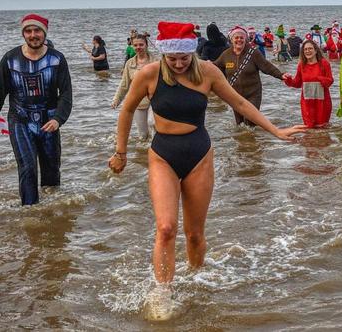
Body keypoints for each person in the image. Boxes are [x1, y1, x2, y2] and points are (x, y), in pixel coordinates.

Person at [107, 22, 304, 318]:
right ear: (164, 55)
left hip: (199, 154)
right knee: (166, 227)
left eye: (183, 59)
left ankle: (195, 278)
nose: (178, 64)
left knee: (195, 233)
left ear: (191, 54)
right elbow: (126, 109)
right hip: (163, 155)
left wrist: (275, 131)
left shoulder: (208, 72)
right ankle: (163, 292)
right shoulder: (149, 74)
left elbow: (238, 101)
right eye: (172, 59)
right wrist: (120, 152)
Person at [0, 14, 72, 205]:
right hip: (20, 120)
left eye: (37, 30)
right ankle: (30, 212)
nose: (33, 35)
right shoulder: (10, 59)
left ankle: (53, 209)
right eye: (28, 31)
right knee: (27, 167)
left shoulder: (57, 59)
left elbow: (65, 93)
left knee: (51, 169)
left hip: (49, 121)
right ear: (23, 33)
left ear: (44, 33)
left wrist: (58, 118)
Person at [214, 26, 289, 126]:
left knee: (250, 121)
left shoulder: (253, 52)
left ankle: (256, 139)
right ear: (231, 39)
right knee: (240, 125)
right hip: (235, 96)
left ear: (246, 39)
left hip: (253, 94)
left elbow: (266, 66)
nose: (239, 40)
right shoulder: (226, 54)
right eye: (236, 37)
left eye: (241, 37)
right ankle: (245, 141)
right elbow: (214, 67)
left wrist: (281, 75)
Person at [112, 33, 159, 139]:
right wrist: (116, 99)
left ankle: (156, 151)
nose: (138, 47)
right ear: (132, 46)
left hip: (155, 99)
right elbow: (124, 84)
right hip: (138, 101)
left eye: (141, 45)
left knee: (152, 123)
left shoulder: (156, 62)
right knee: (143, 135)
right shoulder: (129, 64)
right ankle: (142, 154)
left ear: (146, 45)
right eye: (136, 45)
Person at [284, 40, 333, 127]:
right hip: (307, 104)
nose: (308, 51)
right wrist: (288, 79)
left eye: (310, 48)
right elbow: (297, 83)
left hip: (323, 103)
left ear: (316, 50)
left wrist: (319, 78)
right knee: (309, 130)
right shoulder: (301, 65)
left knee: (322, 130)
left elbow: (330, 81)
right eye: (305, 49)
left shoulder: (324, 63)